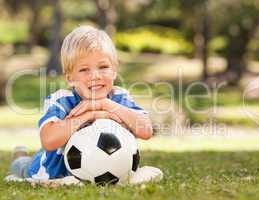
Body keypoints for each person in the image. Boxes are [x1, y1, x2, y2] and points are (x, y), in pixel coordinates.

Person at [9, 25, 163, 184]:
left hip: (103, 167)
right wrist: (88, 114)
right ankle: (20, 156)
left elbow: (146, 131)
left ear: (114, 71)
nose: (95, 76)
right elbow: (48, 141)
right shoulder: (62, 100)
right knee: (22, 167)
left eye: (103, 67)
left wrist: (105, 105)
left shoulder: (119, 98)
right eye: (84, 70)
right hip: (51, 171)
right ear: (69, 78)